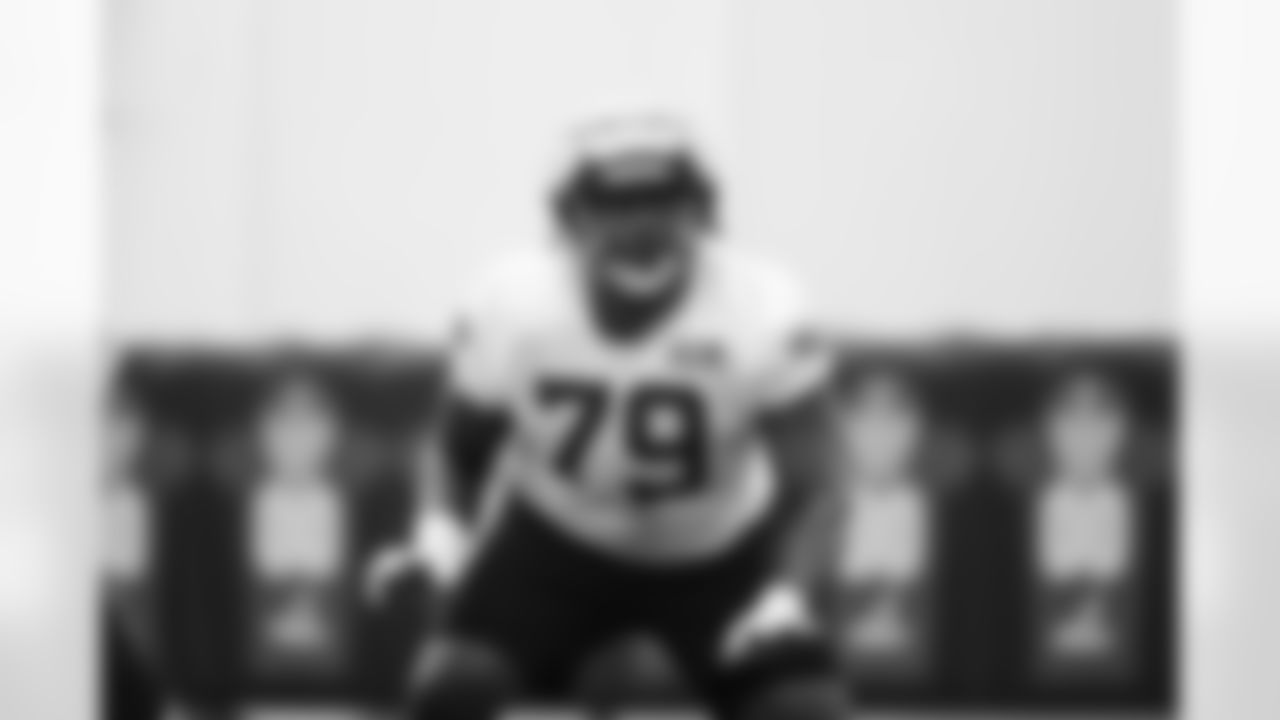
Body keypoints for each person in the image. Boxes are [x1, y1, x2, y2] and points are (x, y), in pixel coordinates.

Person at [386, 116, 853, 720]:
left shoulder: (760, 306)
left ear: (702, 213)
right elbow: (457, 449)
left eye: (665, 202)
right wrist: (440, 536)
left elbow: (820, 484)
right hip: (555, 543)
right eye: (615, 206)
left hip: (716, 551)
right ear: (570, 221)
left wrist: (788, 596)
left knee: (803, 707)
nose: (641, 227)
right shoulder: (514, 302)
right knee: (451, 686)